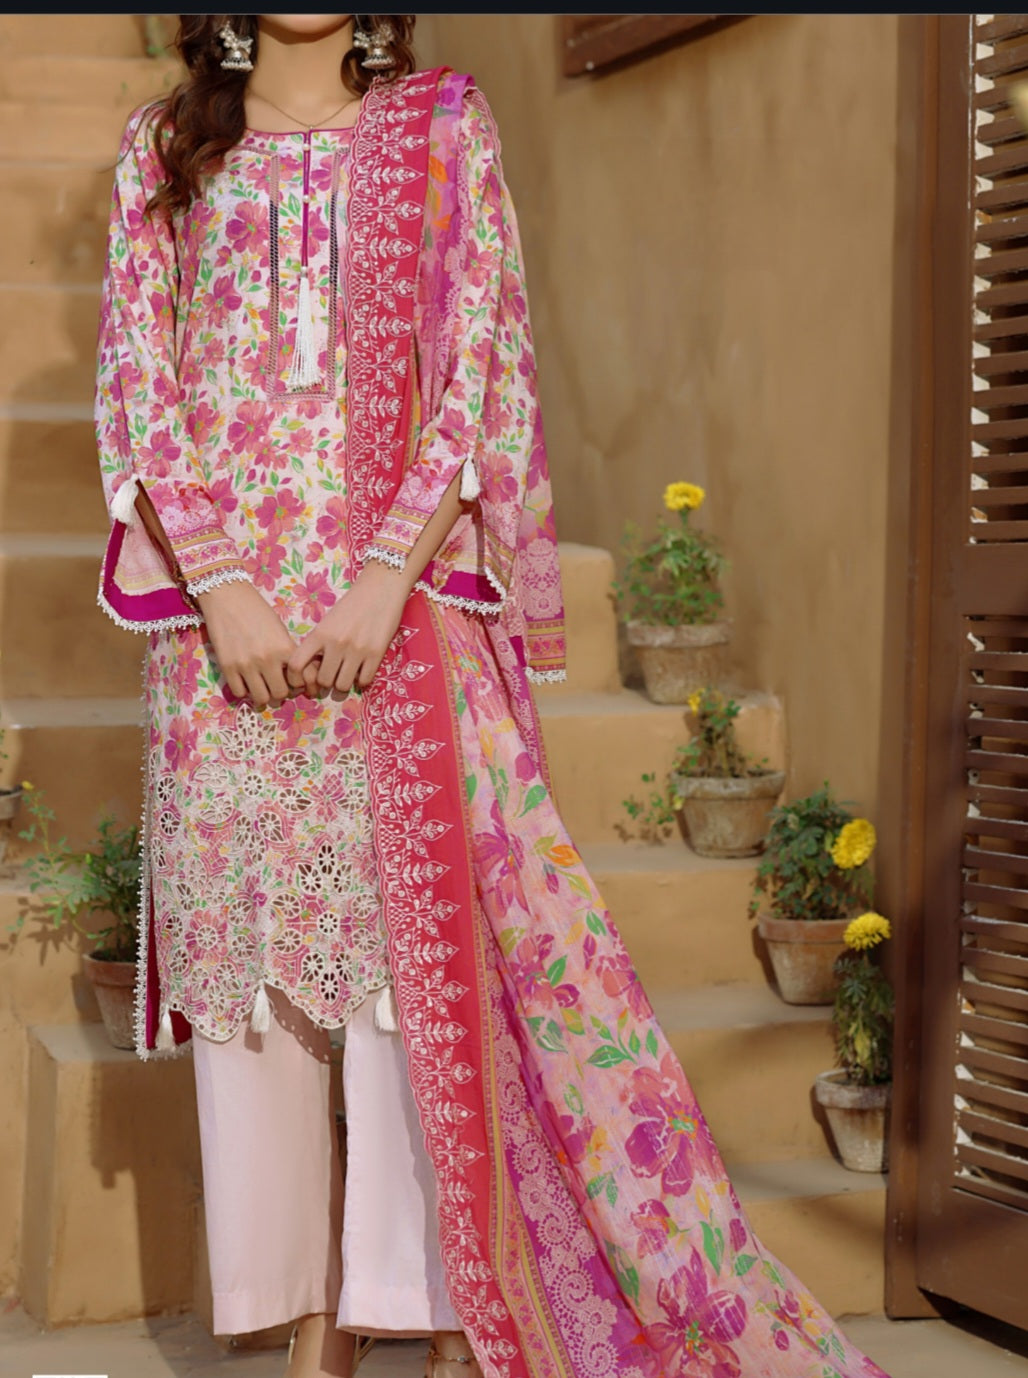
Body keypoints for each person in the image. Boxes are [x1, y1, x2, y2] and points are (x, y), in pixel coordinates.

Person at [94, 14, 892, 1378]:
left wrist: (382, 579)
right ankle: (300, 1319)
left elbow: (470, 377)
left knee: (402, 988)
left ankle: (426, 1309)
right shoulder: (162, 148)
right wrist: (222, 588)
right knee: (255, 994)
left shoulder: (445, 127)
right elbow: (139, 386)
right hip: (219, 635)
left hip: (386, 628)